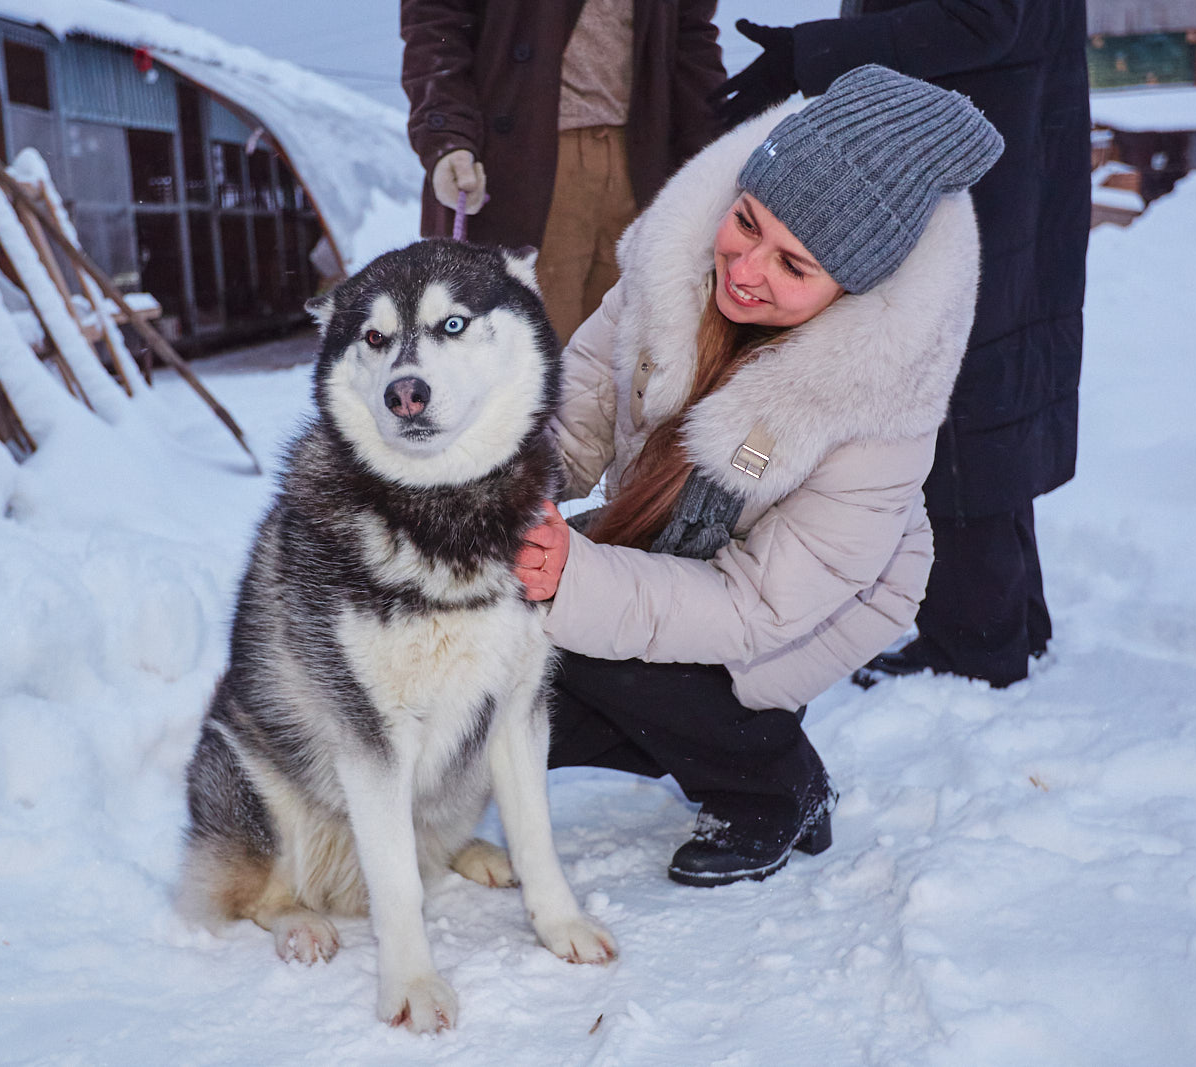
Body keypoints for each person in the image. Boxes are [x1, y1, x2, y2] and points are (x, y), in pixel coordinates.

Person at [510, 66, 1003, 887]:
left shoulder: (879, 409)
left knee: (595, 649)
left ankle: (775, 785)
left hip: (803, 606)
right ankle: (680, 726)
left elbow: (754, 610)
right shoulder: (673, 272)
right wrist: (497, 494)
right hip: (670, 547)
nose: (745, 270)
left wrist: (572, 579)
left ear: (854, 287)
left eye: (794, 266)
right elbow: (580, 408)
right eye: (746, 223)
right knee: (508, 689)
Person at [710, 1, 1091, 688]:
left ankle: (975, 650)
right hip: (996, 147)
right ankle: (1013, 627)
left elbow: (984, 18)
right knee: (984, 394)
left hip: (974, 160)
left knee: (953, 399)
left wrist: (812, 55)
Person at [399, 1, 724, 343]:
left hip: (649, 162)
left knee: (634, 359)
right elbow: (437, 20)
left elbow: (691, 35)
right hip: (528, 165)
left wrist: (713, 153)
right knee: (533, 364)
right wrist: (448, 135)